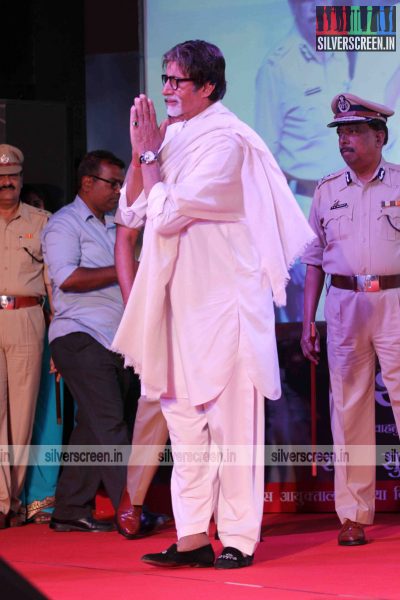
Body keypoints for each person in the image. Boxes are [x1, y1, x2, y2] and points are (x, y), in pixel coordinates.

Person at [112, 39, 314, 568]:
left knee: (231, 427)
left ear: (207, 86)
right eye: (165, 78)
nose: (167, 90)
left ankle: (241, 538)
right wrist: (141, 152)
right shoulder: (170, 137)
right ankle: (193, 537)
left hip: (224, 306)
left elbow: (172, 211)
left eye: (178, 81)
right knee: (184, 426)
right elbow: (133, 211)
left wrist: (153, 155)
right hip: (178, 307)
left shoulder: (229, 141)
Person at [301, 93, 399, 546]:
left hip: (395, 299)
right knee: (349, 409)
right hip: (343, 304)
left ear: (380, 136)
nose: (346, 139)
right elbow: (315, 260)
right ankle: (353, 514)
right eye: (341, 132)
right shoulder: (326, 190)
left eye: (356, 131)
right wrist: (307, 321)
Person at [42, 150, 136, 533]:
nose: (118, 190)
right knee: (112, 424)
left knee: (93, 426)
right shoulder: (64, 224)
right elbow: (66, 278)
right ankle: (131, 510)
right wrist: (123, 269)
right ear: (87, 183)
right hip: (79, 335)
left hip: (116, 339)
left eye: (120, 183)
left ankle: (69, 508)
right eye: (111, 183)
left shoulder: (116, 226)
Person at [255, 0, 349, 321]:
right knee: (304, 319)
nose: (315, 8)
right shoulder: (277, 67)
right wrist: (281, 237)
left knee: (349, 308)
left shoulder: (343, 53)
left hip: (348, 203)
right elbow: (265, 164)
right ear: (294, 6)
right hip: (301, 206)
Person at [0, 144, 49, 529]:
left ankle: (11, 501)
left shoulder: (43, 221)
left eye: (13, 176)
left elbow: (56, 284)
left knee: (23, 417)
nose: (7, 183)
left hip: (28, 315)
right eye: (1, 178)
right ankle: (2, 501)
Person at [19, 184, 64, 524]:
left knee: (48, 413)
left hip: (45, 319)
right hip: (15, 321)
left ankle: (40, 496)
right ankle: (14, 496)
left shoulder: (51, 231)